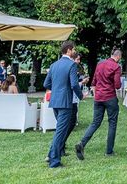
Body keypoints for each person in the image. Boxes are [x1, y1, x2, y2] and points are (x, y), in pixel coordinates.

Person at [44, 40, 84, 168]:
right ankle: (54, 161)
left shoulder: (54, 65)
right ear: (68, 50)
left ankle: (51, 155)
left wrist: (57, 89)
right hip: (65, 102)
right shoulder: (72, 65)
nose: (75, 51)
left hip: (55, 101)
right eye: (73, 49)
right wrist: (81, 95)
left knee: (60, 130)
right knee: (60, 132)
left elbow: (46, 84)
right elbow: (74, 84)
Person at [76, 49, 122, 160]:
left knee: (95, 122)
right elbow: (117, 85)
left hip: (99, 97)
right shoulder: (116, 67)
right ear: (119, 57)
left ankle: (82, 143)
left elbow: (94, 82)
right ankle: (109, 151)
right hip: (110, 97)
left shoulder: (100, 64)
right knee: (112, 123)